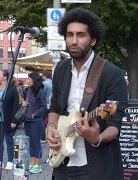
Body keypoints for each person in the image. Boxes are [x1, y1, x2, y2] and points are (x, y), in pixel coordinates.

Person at [46, 7, 127, 180]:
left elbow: (115, 124)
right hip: (62, 162)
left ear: (93, 40)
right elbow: (55, 108)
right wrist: (51, 127)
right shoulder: (60, 68)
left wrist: (97, 138)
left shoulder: (111, 73)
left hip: (95, 166)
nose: (73, 41)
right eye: (69, 35)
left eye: (81, 35)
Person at [22, 72, 46, 174]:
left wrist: (35, 114)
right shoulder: (27, 90)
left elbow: (44, 107)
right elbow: (25, 103)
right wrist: (23, 103)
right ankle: (32, 162)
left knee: (36, 143)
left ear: (34, 80)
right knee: (30, 143)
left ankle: (38, 164)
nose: (27, 81)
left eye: (29, 79)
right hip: (27, 120)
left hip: (36, 121)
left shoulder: (40, 91)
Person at [0, 70, 19, 170]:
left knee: (9, 141)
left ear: (5, 77)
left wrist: (14, 121)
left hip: (8, 120)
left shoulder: (12, 89)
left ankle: (10, 161)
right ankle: (1, 161)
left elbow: (16, 106)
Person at [41, 70, 52, 142]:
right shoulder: (54, 82)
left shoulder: (44, 84)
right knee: (51, 121)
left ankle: (43, 137)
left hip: (45, 104)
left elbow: (42, 95)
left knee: (42, 121)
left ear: (44, 76)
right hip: (52, 105)